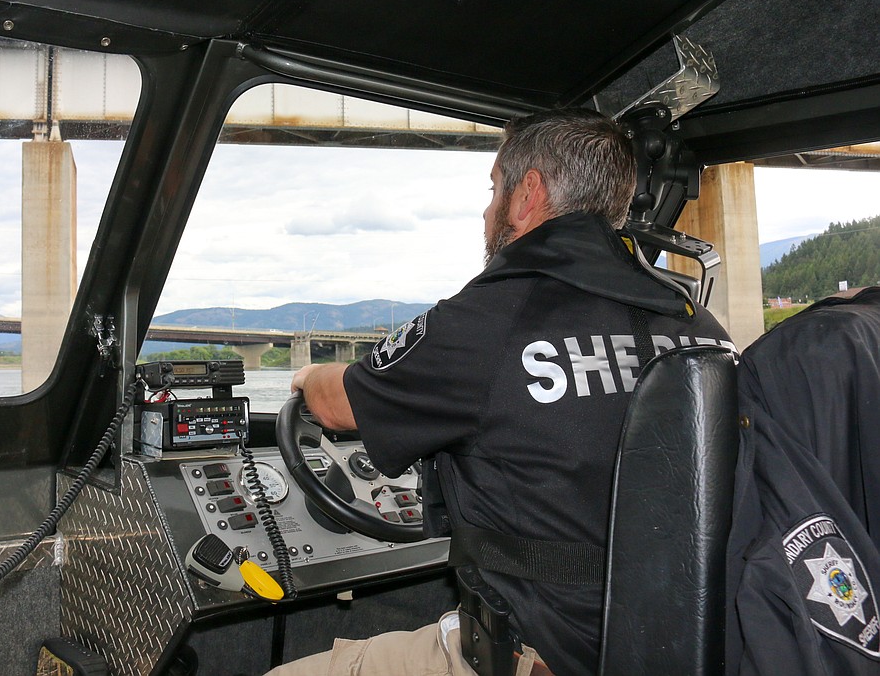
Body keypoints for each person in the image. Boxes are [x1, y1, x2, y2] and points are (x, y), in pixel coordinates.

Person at [266, 108, 733, 676]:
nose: (487, 211)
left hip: (543, 657)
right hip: (690, 646)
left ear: (526, 192)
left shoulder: (488, 321)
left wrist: (305, 377)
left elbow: (338, 406)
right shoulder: (697, 326)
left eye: (493, 189)